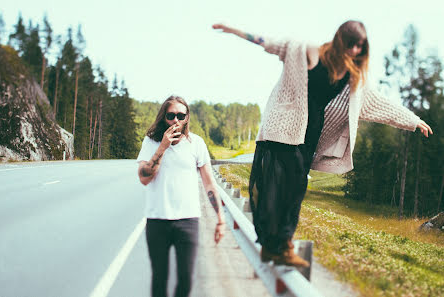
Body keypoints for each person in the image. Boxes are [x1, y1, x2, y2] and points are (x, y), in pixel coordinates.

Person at [212, 21, 432, 267]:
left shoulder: (352, 78)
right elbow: (270, 43)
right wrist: (236, 31)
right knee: (291, 181)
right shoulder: (307, 52)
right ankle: (280, 244)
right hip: (285, 126)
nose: (356, 51)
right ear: (340, 40)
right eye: (352, 45)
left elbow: (378, 104)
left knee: (296, 187)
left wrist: (413, 120)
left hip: (310, 134)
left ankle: (274, 246)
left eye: (361, 46)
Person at [137, 95, 226, 297]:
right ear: (163, 117)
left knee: (186, 281)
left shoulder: (196, 143)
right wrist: (162, 147)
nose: (175, 120)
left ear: (187, 118)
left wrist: (220, 219)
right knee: (159, 280)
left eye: (180, 115)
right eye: (171, 116)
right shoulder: (150, 142)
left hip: (188, 221)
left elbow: (209, 183)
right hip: (158, 219)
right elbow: (144, 178)